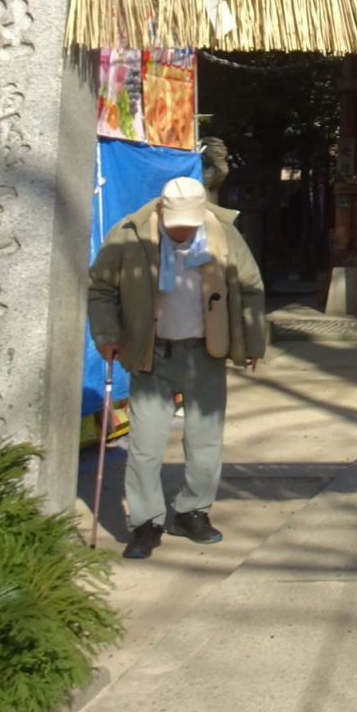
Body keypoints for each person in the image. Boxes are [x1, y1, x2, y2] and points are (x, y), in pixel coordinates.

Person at [89, 176, 267, 560]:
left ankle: (192, 512)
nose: (185, 229)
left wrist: (252, 341)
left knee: (205, 443)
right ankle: (146, 522)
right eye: (178, 223)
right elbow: (101, 288)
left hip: (207, 351)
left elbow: (250, 287)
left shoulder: (221, 232)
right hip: (152, 353)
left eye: (191, 221)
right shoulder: (129, 234)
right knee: (144, 447)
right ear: (160, 211)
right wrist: (106, 333)